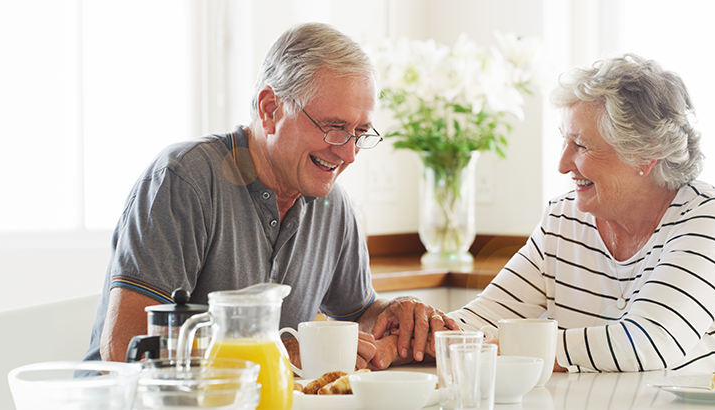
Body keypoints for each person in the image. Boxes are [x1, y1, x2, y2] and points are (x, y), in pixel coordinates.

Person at [83, 22, 457, 371]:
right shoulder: (184, 180)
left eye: (360, 132)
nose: (349, 153)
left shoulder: (333, 206)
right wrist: (276, 353)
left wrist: (396, 314)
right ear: (269, 109)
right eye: (333, 128)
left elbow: (358, 312)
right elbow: (126, 347)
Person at [448, 53, 715, 376]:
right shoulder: (563, 219)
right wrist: (422, 329)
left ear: (645, 154)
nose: (562, 165)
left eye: (581, 145)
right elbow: (486, 315)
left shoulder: (710, 221)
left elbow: (648, 342)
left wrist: (500, 350)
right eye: (564, 140)